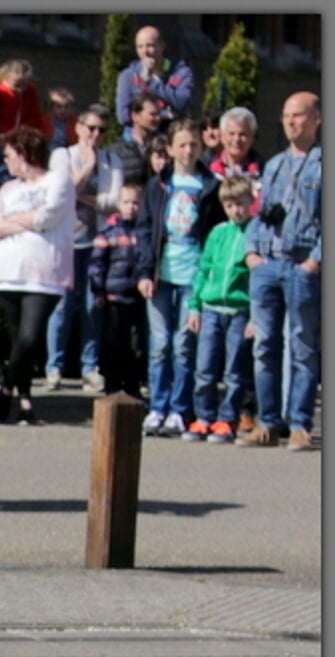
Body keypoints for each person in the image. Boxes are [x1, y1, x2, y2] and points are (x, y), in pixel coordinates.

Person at [240, 91, 321, 451]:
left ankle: (300, 424)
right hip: (268, 266)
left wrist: (314, 262)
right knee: (264, 346)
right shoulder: (274, 165)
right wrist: (251, 251)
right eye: (286, 115)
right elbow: (260, 213)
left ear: (316, 119)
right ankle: (267, 422)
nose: (290, 121)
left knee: (302, 347)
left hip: (303, 265)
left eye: (298, 115)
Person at [0, 125, 75, 428]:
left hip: (44, 273)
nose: (6, 161)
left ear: (24, 154)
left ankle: (6, 389)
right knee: (16, 342)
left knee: (29, 338)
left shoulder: (57, 181)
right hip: (8, 272)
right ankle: (25, 402)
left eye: (9, 155)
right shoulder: (9, 189)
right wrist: (25, 222)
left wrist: (16, 221)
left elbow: (46, 218)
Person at [145, 119, 219, 440]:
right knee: (159, 344)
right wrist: (144, 273)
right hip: (162, 273)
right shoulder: (158, 185)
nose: (189, 151)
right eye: (183, 144)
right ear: (171, 148)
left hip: (193, 273)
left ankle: (179, 409)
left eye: (194, 145)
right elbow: (146, 232)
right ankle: (157, 407)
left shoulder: (210, 186)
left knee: (183, 345)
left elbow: (214, 235)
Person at [45, 104, 124, 392]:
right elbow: (60, 193)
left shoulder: (112, 160)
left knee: (93, 306)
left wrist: (80, 194)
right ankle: (54, 366)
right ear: (78, 127)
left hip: (98, 242)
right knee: (62, 306)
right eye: (90, 127)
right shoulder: (61, 156)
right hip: (67, 240)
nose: (95, 134)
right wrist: (87, 169)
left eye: (101, 130)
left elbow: (112, 201)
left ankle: (89, 367)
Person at [187, 175, 257, 445]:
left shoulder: (255, 233)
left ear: (250, 202)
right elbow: (204, 270)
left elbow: (257, 278)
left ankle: (227, 419)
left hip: (239, 310)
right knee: (204, 367)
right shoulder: (218, 233)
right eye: (229, 205)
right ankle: (203, 416)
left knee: (234, 370)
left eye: (240, 204)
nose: (235, 210)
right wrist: (194, 307)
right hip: (211, 308)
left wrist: (254, 315)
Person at [88, 181, 155, 403]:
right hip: (113, 296)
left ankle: (133, 385)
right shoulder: (107, 231)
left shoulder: (144, 231)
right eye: (126, 202)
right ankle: (112, 385)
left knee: (136, 344)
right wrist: (98, 290)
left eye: (136, 202)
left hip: (137, 296)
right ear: (118, 204)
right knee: (113, 343)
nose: (131, 207)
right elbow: (97, 263)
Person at [115, 25, 194, 129]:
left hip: (169, 135)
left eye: (150, 45)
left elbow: (182, 104)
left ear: (162, 46)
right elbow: (123, 116)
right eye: (140, 47)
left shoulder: (181, 72)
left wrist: (152, 81)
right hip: (137, 138)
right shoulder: (128, 76)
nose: (145, 51)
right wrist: (163, 115)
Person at [0, 60, 48, 138]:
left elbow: (35, 115)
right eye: (16, 85)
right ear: (5, 78)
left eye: (24, 84)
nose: (20, 89)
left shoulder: (30, 91)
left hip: (24, 134)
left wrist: (25, 130)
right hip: (2, 134)